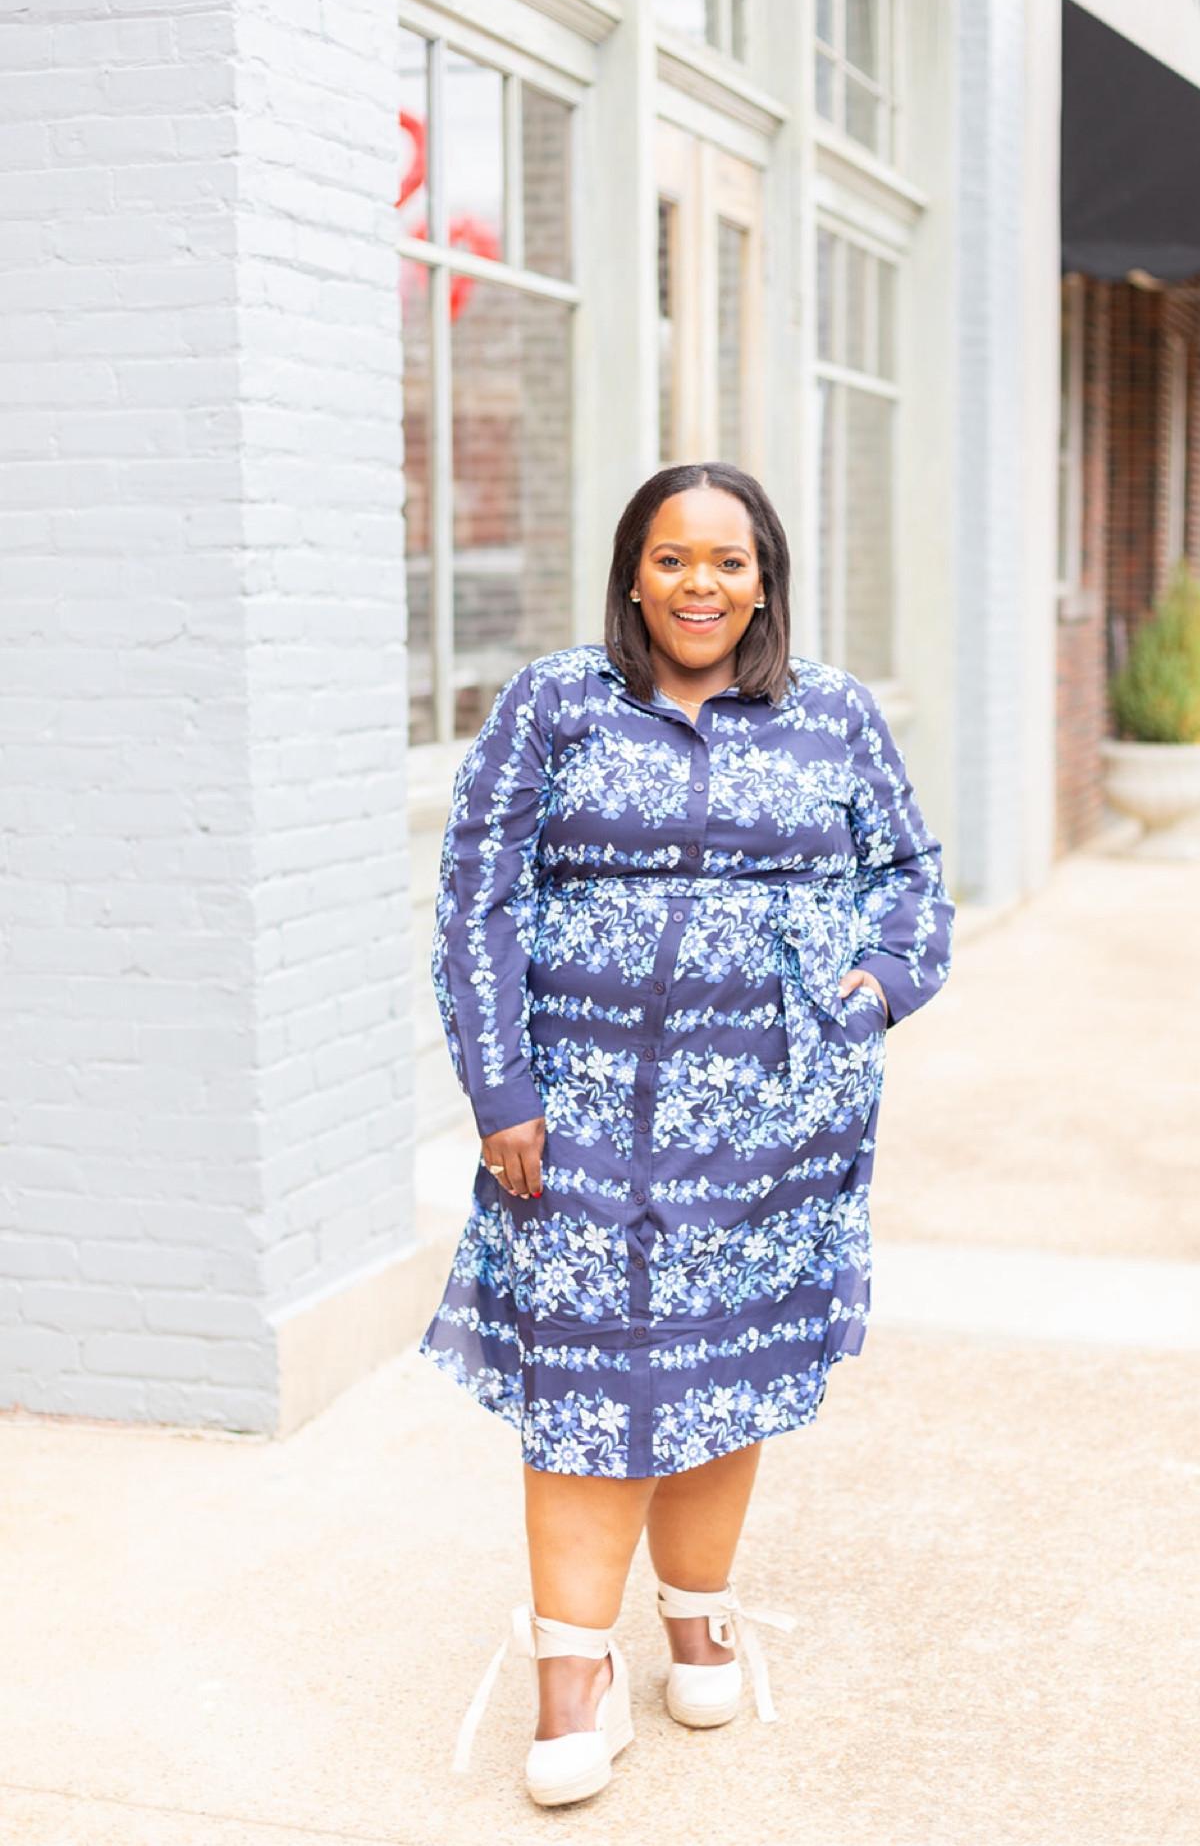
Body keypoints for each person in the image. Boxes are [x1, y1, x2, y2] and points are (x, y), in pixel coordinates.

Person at [423, 462, 953, 1807]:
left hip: (774, 1113)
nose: (698, 586)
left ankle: (698, 1619)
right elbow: (476, 893)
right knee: (587, 1386)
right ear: (632, 571)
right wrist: (501, 1091)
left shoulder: (831, 711)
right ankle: (569, 1679)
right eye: (671, 559)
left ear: (764, 575)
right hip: (582, 1116)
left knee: (723, 1367)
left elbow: (908, 872)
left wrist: (880, 985)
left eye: (726, 561)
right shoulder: (556, 701)